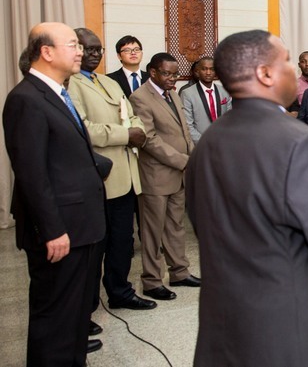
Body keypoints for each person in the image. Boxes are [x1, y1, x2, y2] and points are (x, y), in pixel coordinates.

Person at [184, 30, 308, 366]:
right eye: (287, 61)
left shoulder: (207, 143)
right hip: (296, 336)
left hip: (227, 329)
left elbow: (209, 228)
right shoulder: (304, 145)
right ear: (265, 73)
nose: (294, 70)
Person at [4, 22, 108, 364]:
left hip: (81, 226)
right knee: (55, 320)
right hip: (60, 232)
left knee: (74, 317)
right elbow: (32, 174)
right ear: (46, 52)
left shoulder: (58, 93)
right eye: (73, 45)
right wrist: (52, 230)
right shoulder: (26, 99)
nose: (81, 52)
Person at [67, 28, 157, 319]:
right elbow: (83, 129)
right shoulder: (70, 84)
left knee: (122, 241)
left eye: (98, 49)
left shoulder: (108, 82)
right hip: (99, 177)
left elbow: (133, 117)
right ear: (76, 50)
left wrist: (137, 130)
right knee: (96, 247)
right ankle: (87, 307)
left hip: (126, 175)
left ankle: (120, 292)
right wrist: (125, 134)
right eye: (88, 49)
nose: (94, 54)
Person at [130, 52, 201, 301]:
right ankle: (151, 281)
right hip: (156, 176)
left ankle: (179, 272)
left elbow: (184, 131)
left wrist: (192, 155)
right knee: (153, 231)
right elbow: (148, 139)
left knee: (175, 226)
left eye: (175, 74)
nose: (173, 78)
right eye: (167, 74)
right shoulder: (140, 97)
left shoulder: (173, 93)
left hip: (179, 174)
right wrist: (183, 161)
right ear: (153, 72)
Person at [179, 56, 232, 144]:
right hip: (201, 144)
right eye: (204, 69)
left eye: (212, 69)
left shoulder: (224, 91)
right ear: (197, 72)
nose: (208, 73)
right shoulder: (187, 93)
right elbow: (188, 125)